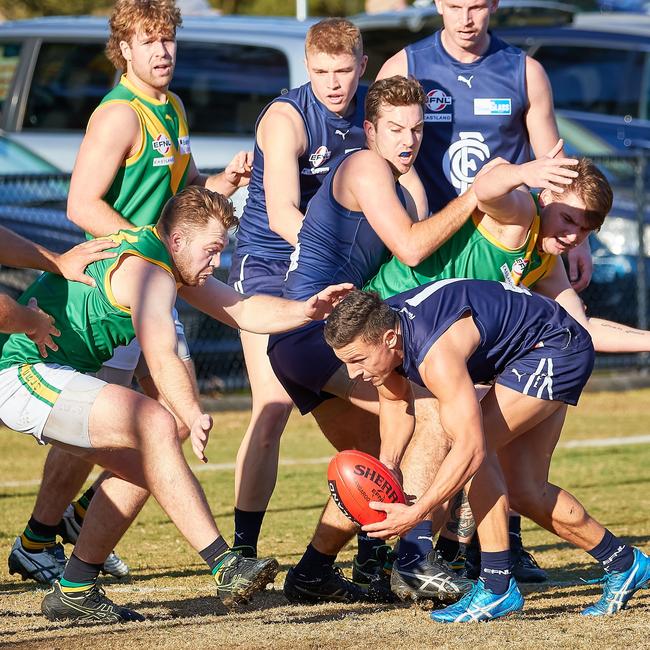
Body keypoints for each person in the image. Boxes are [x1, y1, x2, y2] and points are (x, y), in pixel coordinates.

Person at [0, 185, 352, 623]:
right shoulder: (150, 272)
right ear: (179, 240)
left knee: (153, 465)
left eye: (222, 251)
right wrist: (190, 412)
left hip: (52, 373)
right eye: (211, 250)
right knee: (156, 425)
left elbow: (242, 309)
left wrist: (306, 310)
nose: (217, 262)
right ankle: (225, 565)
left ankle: (74, 589)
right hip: (20, 372)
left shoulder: (163, 259)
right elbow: (161, 352)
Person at [8, 0, 253, 585]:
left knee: (134, 424)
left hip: (153, 284)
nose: (162, 51)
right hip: (123, 289)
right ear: (124, 49)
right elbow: (81, 205)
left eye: (169, 39)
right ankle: (55, 539)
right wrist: (146, 251)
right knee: (127, 421)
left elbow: (181, 191)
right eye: (149, 41)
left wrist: (217, 186)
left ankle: (57, 535)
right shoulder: (120, 114)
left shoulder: (171, 106)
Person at [375, 0, 593, 581]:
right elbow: (379, 148)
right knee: (438, 412)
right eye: (452, 4)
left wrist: (576, 236)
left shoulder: (524, 71)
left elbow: (552, 160)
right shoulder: (406, 61)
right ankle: (416, 553)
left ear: (493, 4)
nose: (465, 17)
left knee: (502, 395)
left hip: (501, 247)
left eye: (476, 4)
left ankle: (491, 547)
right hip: (434, 250)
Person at [267, 75, 478, 603]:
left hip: (312, 341)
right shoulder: (364, 166)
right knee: (429, 413)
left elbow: (418, 269)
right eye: (395, 129)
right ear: (369, 131)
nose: (408, 139)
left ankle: (314, 571)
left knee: (373, 463)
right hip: (317, 332)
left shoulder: (405, 183)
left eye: (417, 128)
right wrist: (477, 194)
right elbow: (410, 249)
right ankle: (413, 561)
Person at [324, 285, 650, 621]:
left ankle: (496, 587)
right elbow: (394, 400)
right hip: (541, 346)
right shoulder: (383, 327)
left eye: (357, 360)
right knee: (525, 491)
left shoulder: (435, 352)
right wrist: (389, 465)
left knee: (475, 453)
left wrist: (417, 511)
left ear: (389, 339)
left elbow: (471, 449)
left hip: (554, 346)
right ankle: (625, 563)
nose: (353, 374)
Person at [226, 17, 391, 576]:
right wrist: (341, 259)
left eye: (343, 71)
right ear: (307, 68)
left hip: (333, 272)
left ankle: (369, 551)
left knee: (375, 415)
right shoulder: (286, 117)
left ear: (361, 66)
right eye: (321, 71)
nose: (333, 83)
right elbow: (280, 213)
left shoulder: (371, 113)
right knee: (271, 407)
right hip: (271, 266)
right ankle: (241, 554)